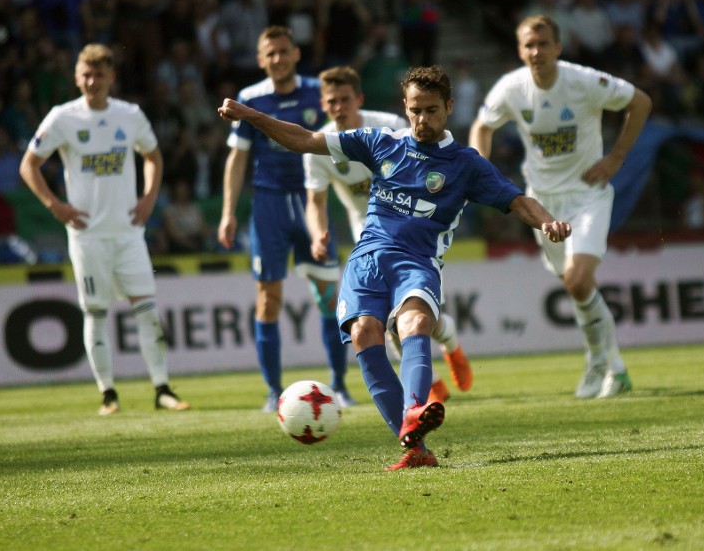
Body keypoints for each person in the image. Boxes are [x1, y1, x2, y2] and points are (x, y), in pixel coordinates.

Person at [218, 65, 571, 470]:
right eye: (416, 110)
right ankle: (414, 447)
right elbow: (303, 139)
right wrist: (252, 116)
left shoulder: (466, 164)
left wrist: (546, 221)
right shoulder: (380, 143)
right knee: (366, 333)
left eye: (433, 110)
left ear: (449, 107)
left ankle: (415, 410)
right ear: (405, 107)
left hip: (418, 263)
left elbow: (516, 200)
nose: (423, 120)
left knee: (414, 323)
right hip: (368, 259)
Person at [469, 14, 652, 400]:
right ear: (520, 51)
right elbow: (483, 126)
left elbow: (641, 102)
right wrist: (480, 169)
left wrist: (616, 158)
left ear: (558, 47)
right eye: (528, 45)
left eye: (543, 43)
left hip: (588, 194)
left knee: (578, 279)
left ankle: (601, 363)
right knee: (574, 285)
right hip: (543, 203)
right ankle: (612, 366)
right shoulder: (511, 87)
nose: (536, 51)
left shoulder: (584, 81)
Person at [19, 43, 190, 416]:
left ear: (112, 77)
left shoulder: (129, 115)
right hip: (88, 235)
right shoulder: (62, 118)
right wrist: (54, 205)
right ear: (76, 77)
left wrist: (148, 197)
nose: (92, 81)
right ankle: (108, 395)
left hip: (128, 233)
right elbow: (29, 165)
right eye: (86, 74)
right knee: (96, 313)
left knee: (146, 310)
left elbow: (153, 157)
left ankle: (162, 389)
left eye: (99, 74)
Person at [303, 65, 473, 405]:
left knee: (422, 319)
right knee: (386, 325)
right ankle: (432, 387)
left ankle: (451, 345)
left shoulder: (388, 128)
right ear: (324, 105)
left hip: (412, 234)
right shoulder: (321, 149)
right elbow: (315, 202)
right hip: (368, 236)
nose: (339, 107)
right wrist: (317, 233)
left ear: (359, 100)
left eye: (345, 99)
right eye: (332, 101)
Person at [217, 26, 353, 412]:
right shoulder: (249, 98)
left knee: (329, 297)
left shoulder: (317, 91)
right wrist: (228, 212)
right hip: (270, 206)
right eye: (270, 54)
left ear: (296, 53)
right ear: (261, 60)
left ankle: (340, 385)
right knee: (268, 297)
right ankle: (273, 391)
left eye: (283, 51)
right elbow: (238, 157)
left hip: (316, 198)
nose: (277, 59)